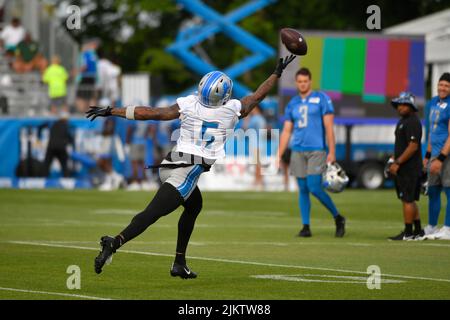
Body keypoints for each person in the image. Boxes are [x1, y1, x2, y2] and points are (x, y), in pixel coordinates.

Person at [86, 54, 296, 279]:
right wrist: (276, 73)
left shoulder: (188, 103)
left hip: (169, 163)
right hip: (187, 171)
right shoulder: (232, 109)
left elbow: (149, 113)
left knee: (194, 205)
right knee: (152, 213)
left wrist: (112, 110)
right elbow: (258, 95)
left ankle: (179, 263)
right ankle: (114, 242)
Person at [278, 68, 346, 238]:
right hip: (298, 150)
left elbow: (329, 127)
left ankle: (338, 217)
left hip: (317, 149)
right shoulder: (292, 103)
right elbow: (287, 131)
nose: (302, 84)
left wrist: (332, 151)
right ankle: (305, 226)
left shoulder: (322, 99)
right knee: (302, 189)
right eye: (299, 81)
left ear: (310, 81)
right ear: (296, 83)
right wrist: (278, 154)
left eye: (305, 81)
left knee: (314, 187)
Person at [387, 92, 424, 240]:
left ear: (411, 106)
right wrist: (393, 158)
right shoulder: (403, 121)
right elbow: (402, 145)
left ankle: (408, 233)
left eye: (404, 104)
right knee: (409, 199)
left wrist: (398, 162)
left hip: (409, 167)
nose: (400, 107)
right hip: (404, 166)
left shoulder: (412, 121)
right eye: (399, 104)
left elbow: (413, 146)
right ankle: (418, 230)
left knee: (407, 199)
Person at [422, 72, 450, 240]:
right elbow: (432, 131)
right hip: (435, 155)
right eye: (441, 84)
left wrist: (440, 158)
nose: (443, 88)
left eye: (447, 86)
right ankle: (432, 226)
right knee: (432, 191)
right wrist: (428, 154)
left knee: (448, 191)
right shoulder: (432, 102)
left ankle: (447, 228)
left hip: (446, 156)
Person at [43, 112, 73, 177]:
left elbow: (43, 126)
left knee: (46, 165)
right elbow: (69, 137)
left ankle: (43, 179)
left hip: (51, 147)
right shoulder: (66, 126)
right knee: (64, 165)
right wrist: (70, 142)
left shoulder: (53, 124)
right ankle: (67, 179)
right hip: (61, 148)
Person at [75, 40, 98, 113]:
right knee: (91, 95)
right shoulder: (94, 55)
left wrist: (76, 72)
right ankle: (92, 112)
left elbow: (84, 66)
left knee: (80, 96)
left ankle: (82, 112)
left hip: (85, 77)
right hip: (93, 77)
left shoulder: (84, 54)